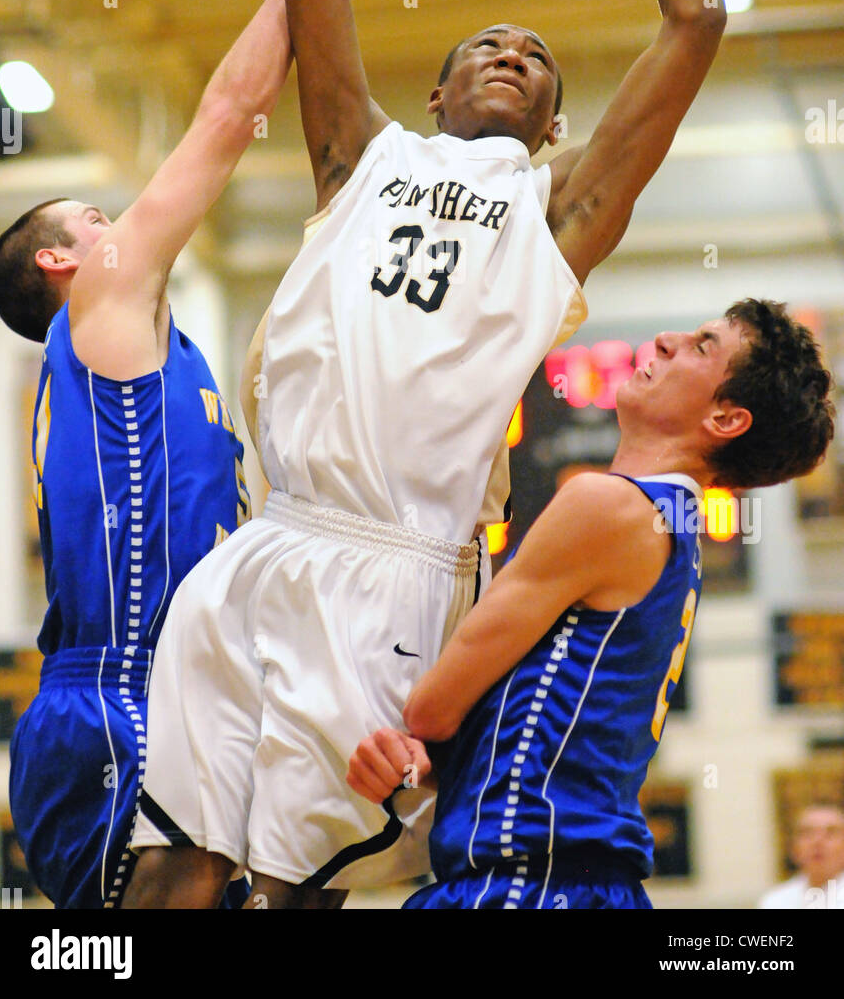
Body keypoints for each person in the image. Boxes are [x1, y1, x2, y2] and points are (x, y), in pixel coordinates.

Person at [124, 0, 729, 910]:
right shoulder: (357, 156)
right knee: (171, 875)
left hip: (394, 574)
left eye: (535, 55)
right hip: (260, 545)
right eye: (482, 46)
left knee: (299, 886)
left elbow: (696, 17)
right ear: (437, 89)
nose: (509, 52)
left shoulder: (561, 212)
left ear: (554, 120)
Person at [0, 0, 303, 906]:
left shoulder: (164, 354)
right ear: (60, 262)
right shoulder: (101, 307)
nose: (115, 223)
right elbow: (227, 115)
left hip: (178, 685)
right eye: (93, 220)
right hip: (121, 697)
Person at [348, 301, 836, 910]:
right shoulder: (674, 529)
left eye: (702, 346)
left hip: (527, 883)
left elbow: (430, 710)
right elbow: (513, 727)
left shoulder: (606, 508)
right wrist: (425, 762)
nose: (665, 338)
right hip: (579, 882)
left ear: (726, 418)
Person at [758, 802, 844, 909]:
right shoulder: (775, 901)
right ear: (793, 847)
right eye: (807, 833)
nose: (817, 841)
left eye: (831, 833)